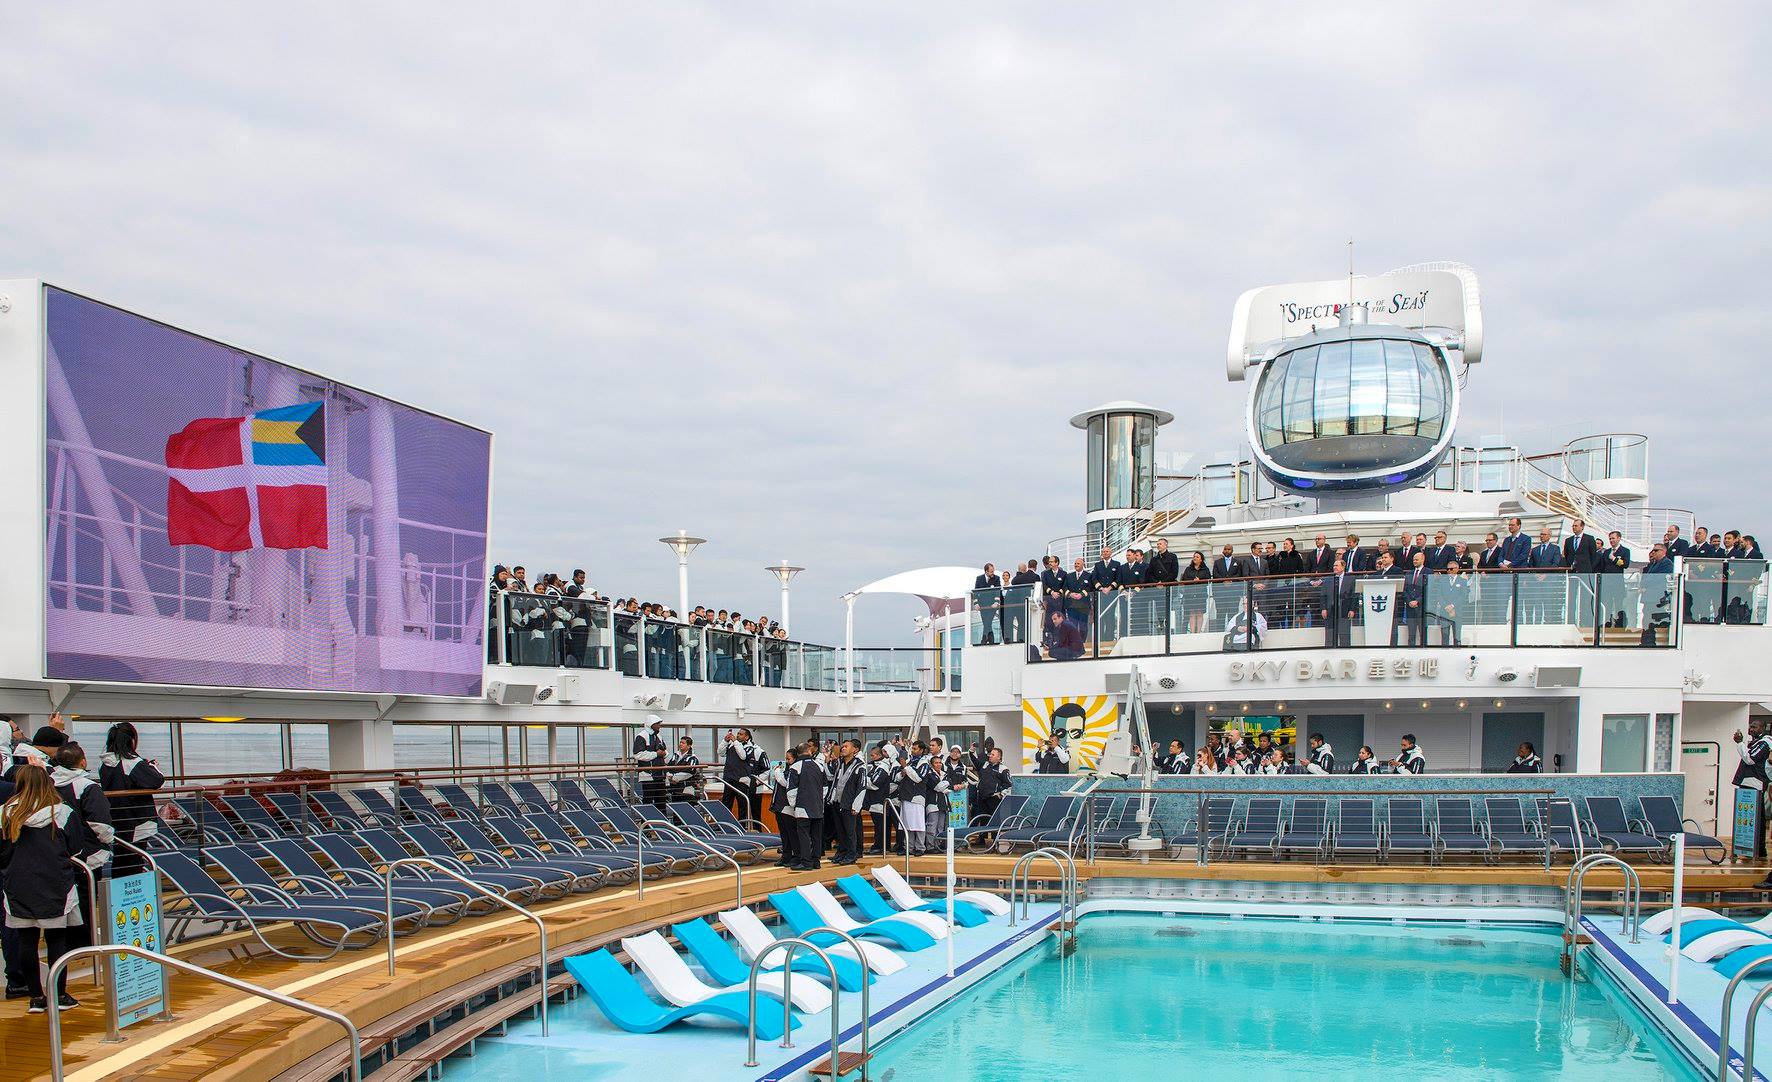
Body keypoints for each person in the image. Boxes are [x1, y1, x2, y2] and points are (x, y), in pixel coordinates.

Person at [1, 764, 87, 1012]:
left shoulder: (5, 813)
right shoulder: (61, 813)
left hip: (17, 884)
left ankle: (36, 998)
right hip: (55, 883)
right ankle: (59, 995)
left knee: (26, 941)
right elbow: (76, 848)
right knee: (56, 941)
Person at [780, 740, 827, 871]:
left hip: (802, 806)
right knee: (817, 835)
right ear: (809, 751)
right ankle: (816, 861)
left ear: (798, 753)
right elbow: (825, 786)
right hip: (818, 806)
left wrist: (794, 805)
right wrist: (819, 799)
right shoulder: (819, 765)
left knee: (804, 834)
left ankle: (806, 862)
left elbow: (791, 789)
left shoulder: (795, 767)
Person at [1737, 720, 1772, 867]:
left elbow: (1750, 759)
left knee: (1758, 818)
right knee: (1756, 818)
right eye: (1750, 726)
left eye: (1754, 727)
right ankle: (1755, 848)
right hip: (1752, 783)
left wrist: (1740, 743)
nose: (1751, 729)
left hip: (1757, 783)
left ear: (1763, 728)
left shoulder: (1764, 743)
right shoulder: (1756, 742)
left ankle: (1759, 849)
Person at [827, 740, 865, 865]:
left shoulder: (860, 766)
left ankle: (851, 854)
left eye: (846, 746)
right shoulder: (840, 763)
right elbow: (833, 780)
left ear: (855, 750)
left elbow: (862, 787)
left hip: (849, 803)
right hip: (838, 801)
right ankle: (841, 852)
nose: (843, 748)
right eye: (842, 746)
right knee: (840, 830)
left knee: (850, 831)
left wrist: (856, 805)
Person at [720, 728, 769, 824]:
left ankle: (747, 828)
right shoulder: (732, 746)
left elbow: (743, 756)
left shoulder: (757, 750)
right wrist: (725, 741)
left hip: (747, 784)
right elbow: (720, 752)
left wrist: (755, 782)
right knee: (726, 804)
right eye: (737, 733)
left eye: (740, 734)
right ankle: (724, 825)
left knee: (749, 809)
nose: (738, 735)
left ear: (747, 736)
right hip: (730, 780)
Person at [862, 744, 894, 855]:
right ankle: (880, 845)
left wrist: (862, 780)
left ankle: (880, 846)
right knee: (879, 825)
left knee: (881, 826)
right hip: (874, 801)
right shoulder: (874, 766)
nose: (871, 757)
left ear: (879, 755)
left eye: (873, 755)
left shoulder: (883, 767)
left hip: (880, 801)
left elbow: (875, 784)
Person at [632, 716, 669, 806]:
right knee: (648, 800)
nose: (659, 726)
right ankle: (646, 819)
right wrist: (656, 754)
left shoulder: (658, 736)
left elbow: (664, 751)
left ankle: (661, 818)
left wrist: (664, 753)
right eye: (657, 724)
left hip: (660, 774)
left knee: (661, 800)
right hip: (648, 775)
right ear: (651, 724)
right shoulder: (641, 736)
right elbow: (638, 754)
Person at [1322, 557, 1357, 647]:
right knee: (1329, 635)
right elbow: (1323, 596)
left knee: (1344, 633)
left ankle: (1345, 651)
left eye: (1336, 565)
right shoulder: (1328, 580)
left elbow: (1354, 596)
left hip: (1344, 610)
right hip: (1330, 610)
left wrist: (1352, 609)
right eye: (1334, 565)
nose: (1334, 567)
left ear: (1343, 566)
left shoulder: (1350, 579)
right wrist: (1324, 608)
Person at [974, 746, 1012, 828]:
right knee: (983, 819)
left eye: (993, 754)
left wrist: (1001, 794)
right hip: (982, 797)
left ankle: (995, 839)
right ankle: (982, 839)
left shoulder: (1003, 769)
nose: (990, 756)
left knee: (995, 820)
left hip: (993, 798)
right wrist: (971, 752)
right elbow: (975, 762)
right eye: (990, 754)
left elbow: (1008, 784)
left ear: (999, 757)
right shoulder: (985, 764)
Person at [1401, 550, 1430, 646]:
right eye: (1413, 560)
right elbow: (1404, 590)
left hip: (1421, 608)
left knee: (1423, 633)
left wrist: (1417, 601)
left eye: (1417, 559)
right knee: (1411, 633)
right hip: (1410, 608)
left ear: (1423, 559)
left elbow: (1428, 590)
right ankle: (1411, 651)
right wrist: (1409, 601)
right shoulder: (1409, 573)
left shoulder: (1428, 572)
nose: (1414, 561)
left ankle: (1424, 651)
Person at [1179, 551, 1212, 633]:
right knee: (1192, 613)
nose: (1195, 558)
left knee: (1200, 613)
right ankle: (1193, 632)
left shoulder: (1205, 569)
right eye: (1194, 556)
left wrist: (1200, 580)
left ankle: (1199, 631)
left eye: (1197, 557)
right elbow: (1184, 580)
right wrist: (1192, 580)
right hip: (1190, 593)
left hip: (1201, 593)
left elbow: (1208, 580)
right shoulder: (1188, 569)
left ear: (1201, 559)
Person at [664, 737, 701, 803]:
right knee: (676, 806)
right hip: (674, 787)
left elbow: (689, 771)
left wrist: (673, 778)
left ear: (689, 746)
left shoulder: (693, 758)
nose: (680, 744)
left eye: (683, 743)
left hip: (686, 787)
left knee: (687, 807)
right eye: (680, 742)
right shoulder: (675, 755)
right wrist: (669, 776)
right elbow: (669, 767)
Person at [973, 563, 1002, 645]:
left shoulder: (997, 578)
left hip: (992, 606)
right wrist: (976, 603)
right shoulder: (979, 579)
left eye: (993, 571)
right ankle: (991, 639)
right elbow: (975, 591)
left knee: (988, 621)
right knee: (986, 622)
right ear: (986, 571)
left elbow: (997, 591)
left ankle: (984, 639)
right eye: (991, 571)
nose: (993, 573)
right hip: (982, 606)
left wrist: (996, 602)